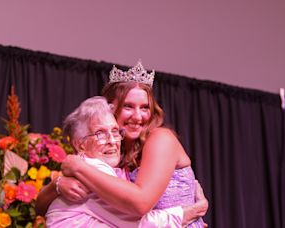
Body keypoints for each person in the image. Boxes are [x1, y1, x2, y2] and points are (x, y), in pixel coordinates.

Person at [37, 62, 208, 227]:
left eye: (145, 107)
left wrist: (76, 166)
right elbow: (41, 208)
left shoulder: (161, 139)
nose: (138, 116)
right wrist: (57, 185)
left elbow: (140, 204)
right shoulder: (111, 154)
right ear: (110, 109)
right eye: (128, 106)